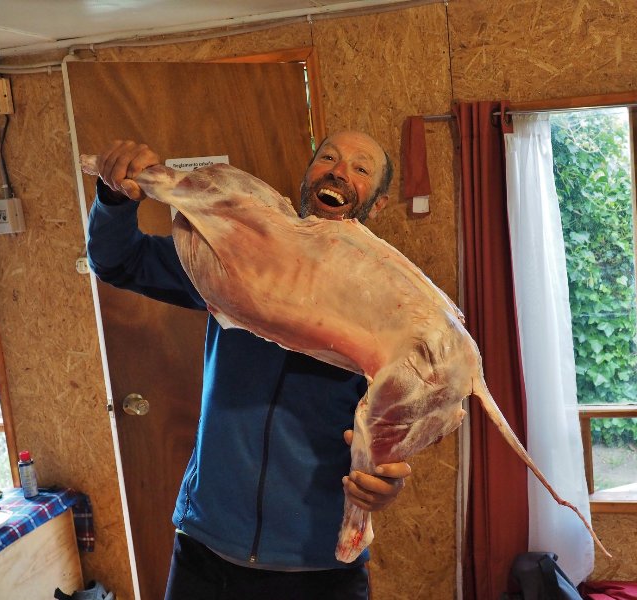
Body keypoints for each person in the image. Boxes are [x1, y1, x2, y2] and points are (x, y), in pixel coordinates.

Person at [87, 131, 412, 600]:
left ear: (377, 205)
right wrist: (113, 200)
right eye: (328, 157)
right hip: (206, 551)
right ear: (308, 176)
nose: (339, 171)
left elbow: (393, 433)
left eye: (360, 168)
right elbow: (118, 260)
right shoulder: (235, 256)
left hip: (320, 568)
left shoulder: (390, 304)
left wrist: (385, 485)